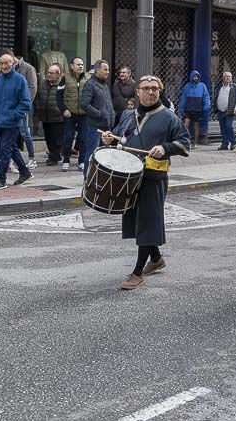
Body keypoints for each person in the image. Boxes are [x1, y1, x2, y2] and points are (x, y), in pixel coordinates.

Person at [101, 75, 191, 290]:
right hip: (129, 177)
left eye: (154, 89)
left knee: (148, 221)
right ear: (138, 92)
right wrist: (108, 139)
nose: (151, 93)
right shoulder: (128, 115)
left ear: (159, 91)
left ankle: (138, 272)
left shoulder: (169, 117)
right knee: (138, 220)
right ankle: (157, 259)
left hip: (153, 177)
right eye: (146, 89)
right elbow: (118, 137)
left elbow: (185, 142)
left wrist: (166, 148)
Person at [0, 50, 33, 190]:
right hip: (0, 120)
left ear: (13, 63)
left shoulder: (20, 80)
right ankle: (25, 172)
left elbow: (26, 103)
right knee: (11, 148)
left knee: (5, 149)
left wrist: (13, 115)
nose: (4, 65)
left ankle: (1, 179)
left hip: (12, 122)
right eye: (1, 63)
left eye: (6, 63)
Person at [80, 60, 116, 177]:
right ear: (97, 70)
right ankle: (88, 178)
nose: (108, 72)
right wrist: (100, 114)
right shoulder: (90, 84)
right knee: (92, 153)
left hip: (106, 125)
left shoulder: (104, 85)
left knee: (104, 154)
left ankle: (100, 178)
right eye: (105, 69)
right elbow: (85, 104)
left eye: (108, 69)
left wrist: (111, 115)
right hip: (95, 126)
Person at [35, 64, 67, 166]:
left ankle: (54, 157)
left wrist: (60, 110)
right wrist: (38, 107)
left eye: (51, 73)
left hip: (57, 117)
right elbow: (38, 96)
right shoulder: (43, 83)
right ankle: (55, 155)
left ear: (58, 75)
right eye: (48, 73)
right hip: (45, 115)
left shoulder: (62, 84)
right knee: (48, 137)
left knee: (57, 138)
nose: (49, 75)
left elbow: (66, 99)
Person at [12, 51, 39, 169]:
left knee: (24, 131)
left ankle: (32, 158)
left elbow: (32, 87)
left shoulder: (28, 68)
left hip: (23, 105)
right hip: (12, 106)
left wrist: (26, 105)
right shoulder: (9, 69)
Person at [63, 57, 87, 172]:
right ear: (72, 66)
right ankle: (66, 161)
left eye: (82, 64)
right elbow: (58, 95)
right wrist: (64, 109)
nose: (81, 66)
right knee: (68, 137)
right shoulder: (65, 78)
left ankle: (81, 161)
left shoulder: (87, 78)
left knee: (83, 139)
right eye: (78, 64)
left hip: (84, 114)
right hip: (70, 114)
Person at [178, 70, 210, 148]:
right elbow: (183, 98)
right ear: (191, 77)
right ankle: (186, 141)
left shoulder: (202, 86)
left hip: (197, 109)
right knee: (186, 125)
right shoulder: (187, 86)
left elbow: (206, 96)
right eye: (194, 76)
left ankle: (195, 143)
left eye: (196, 77)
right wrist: (181, 108)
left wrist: (207, 105)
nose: (195, 78)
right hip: (188, 109)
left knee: (196, 126)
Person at [215, 71, 236, 151]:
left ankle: (233, 142)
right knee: (222, 128)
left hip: (230, 111)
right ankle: (224, 144)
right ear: (223, 78)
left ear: (231, 78)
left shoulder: (235, 87)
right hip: (220, 111)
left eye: (229, 76)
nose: (227, 78)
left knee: (228, 127)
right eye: (226, 76)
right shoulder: (219, 86)